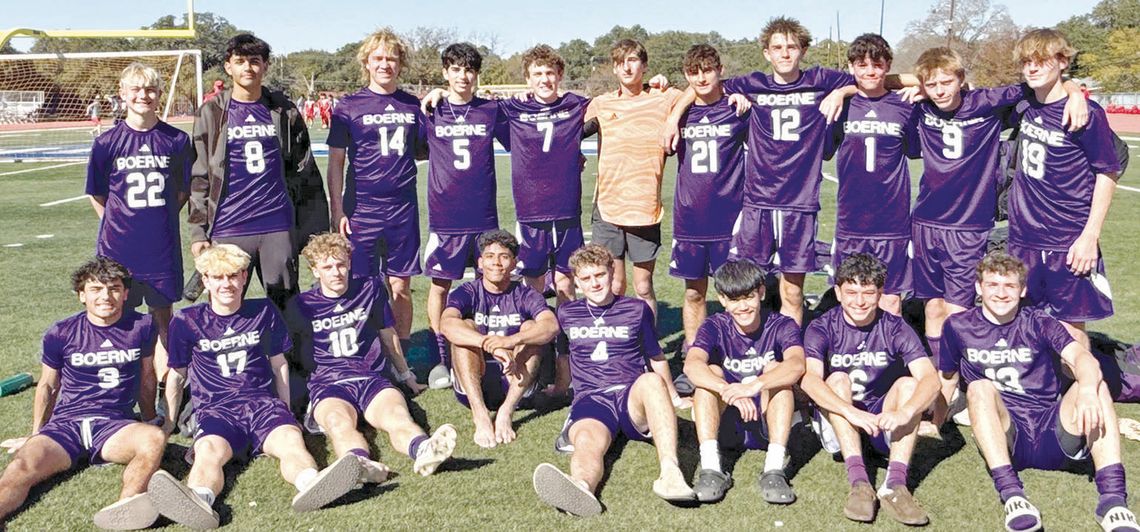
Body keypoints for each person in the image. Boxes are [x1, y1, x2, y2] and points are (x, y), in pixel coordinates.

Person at [908, 47, 1087, 425]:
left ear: (962, 80)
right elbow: (885, 82)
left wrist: (1074, 90)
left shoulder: (985, 102)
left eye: (947, 82)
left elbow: (1036, 86)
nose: (940, 90)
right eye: (932, 85)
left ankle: (952, 395)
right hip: (925, 223)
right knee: (932, 309)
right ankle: (943, 392)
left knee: (957, 316)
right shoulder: (921, 107)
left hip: (968, 228)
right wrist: (913, 84)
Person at [150, 244, 363, 529]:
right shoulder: (187, 321)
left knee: (290, 441)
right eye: (218, 277)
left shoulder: (262, 310)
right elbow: (176, 375)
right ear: (206, 280)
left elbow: (280, 365)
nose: (227, 284)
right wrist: (170, 421)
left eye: (234, 276)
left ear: (244, 277)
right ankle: (200, 499)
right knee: (209, 450)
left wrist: (286, 412)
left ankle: (311, 484)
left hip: (263, 404)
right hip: (217, 408)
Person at [939, 252, 1137, 532]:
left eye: (1009, 286)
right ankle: (1012, 495)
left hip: (1052, 429)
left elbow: (1082, 358)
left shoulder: (1039, 321)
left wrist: (1089, 391)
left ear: (1022, 290)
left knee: (1094, 384)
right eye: (993, 284)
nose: (1000, 293)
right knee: (979, 388)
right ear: (978, 288)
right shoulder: (957, 326)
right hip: (1009, 436)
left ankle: (1113, 501)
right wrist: (933, 422)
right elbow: (947, 379)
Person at [0, 258, 167, 530]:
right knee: (22, 466)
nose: (105, 296)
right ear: (81, 295)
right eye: (96, 289)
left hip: (114, 425)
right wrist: (36, 432)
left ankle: (126, 507)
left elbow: (147, 377)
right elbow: (47, 386)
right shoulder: (61, 332)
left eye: (114, 288)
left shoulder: (142, 326)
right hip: (66, 424)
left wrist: (149, 417)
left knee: (153, 439)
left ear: (125, 294)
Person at [533, 244, 694, 517]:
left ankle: (671, 473)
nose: (594, 283)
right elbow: (564, 357)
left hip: (632, 395)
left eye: (600, 275)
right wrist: (561, 389)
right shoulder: (567, 313)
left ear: (612, 273)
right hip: (592, 398)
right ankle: (581, 487)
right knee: (585, 439)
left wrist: (674, 397)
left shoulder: (636, 309)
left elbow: (655, 356)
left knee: (652, 382)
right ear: (576, 281)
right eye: (586, 278)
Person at [285, 233, 455, 485]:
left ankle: (423, 450)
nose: (336, 272)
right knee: (338, 423)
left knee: (397, 415)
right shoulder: (301, 305)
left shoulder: (368, 288)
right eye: (328, 267)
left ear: (350, 263)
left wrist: (406, 375)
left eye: (341, 264)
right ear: (315, 270)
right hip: (329, 383)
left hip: (370, 377)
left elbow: (388, 335)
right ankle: (359, 465)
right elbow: (292, 355)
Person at [187, 33, 329, 312]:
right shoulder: (213, 111)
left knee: (286, 304)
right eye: (240, 61)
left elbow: (305, 170)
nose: (247, 68)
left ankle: (290, 358)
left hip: (276, 223)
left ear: (265, 65)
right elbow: (200, 174)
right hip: (229, 224)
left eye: (255, 61)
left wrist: (315, 227)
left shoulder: (282, 109)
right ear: (228, 66)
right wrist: (197, 233)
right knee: (224, 304)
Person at [800, 253, 939, 525]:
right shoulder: (821, 326)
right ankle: (859, 482)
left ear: (880, 293)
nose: (860, 301)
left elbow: (930, 379)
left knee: (910, 385)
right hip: (840, 424)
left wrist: (906, 412)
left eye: (868, 292)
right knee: (837, 379)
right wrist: (849, 412)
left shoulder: (895, 326)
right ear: (838, 292)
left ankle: (895, 484)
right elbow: (809, 380)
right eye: (851, 292)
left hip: (882, 422)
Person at [1005, 29, 1121, 350]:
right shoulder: (1023, 102)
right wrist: (1073, 89)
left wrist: (1090, 236)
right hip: (1023, 238)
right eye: (1027, 61)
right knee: (1025, 323)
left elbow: (1107, 173)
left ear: (1062, 61)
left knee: (1070, 329)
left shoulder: (1086, 113)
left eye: (1041, 60)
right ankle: (1039, 397)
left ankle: (1079, 396)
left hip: (1066, 240)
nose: (1032, 68)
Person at [86, 62, 195, 401]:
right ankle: (123, 388)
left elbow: (182, 191)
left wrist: (157, 219)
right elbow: (98, 194)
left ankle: (168, 389)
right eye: (136, 89)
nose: (143, 95)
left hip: (161, 246)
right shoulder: (107, 142)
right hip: (118, 248)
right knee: (120, 317)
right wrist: (116, 224)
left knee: (164, 317)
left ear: (159, 94)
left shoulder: (176, 140)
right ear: (123, 94)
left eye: (150, 89)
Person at [326, 28, 427, 380]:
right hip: (362, 208)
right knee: (361, 284)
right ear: (367, 62)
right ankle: (364, 353)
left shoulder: (413, 104)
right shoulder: (348, 106)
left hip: (402, 208)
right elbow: (336, 162)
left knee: (400, 285)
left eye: (392, 59)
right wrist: (337, 210)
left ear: (400, 64)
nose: (385, 64)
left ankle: (403, 354)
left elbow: (424, 149)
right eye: (378, 58)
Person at [423, 43, 510, 395]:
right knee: (440, 286)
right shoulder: (429, 110)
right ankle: (440, 356)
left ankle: (491, 346)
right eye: (456, 69)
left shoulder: (490, 110)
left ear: (477, 74)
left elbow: (521, 142)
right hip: (446, 218)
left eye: (469, 69)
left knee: (493, 283)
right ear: (445, 73)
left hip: (484, 216)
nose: (463, 76)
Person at [683, 259, 804, 504]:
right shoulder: (714, 325)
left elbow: (796, 364)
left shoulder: (781, 324)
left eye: (748, 297)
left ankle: (774, 468)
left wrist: (754, 386)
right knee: (711, 374)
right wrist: (727, 390)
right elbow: (692, 365)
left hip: (767, 419)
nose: (743, 306)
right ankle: (711, 468)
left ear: (760, 293)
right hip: (728, 422)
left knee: (776, 370)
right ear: (724, 300)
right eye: (735, 300)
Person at [584, 39, 684, 320]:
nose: (626, 67)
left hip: (645, 210)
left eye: (632, 60)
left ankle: (648, 346)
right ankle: (619, 347)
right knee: (614, 285)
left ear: (645, 65)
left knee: (643, 286)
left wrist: (674, 117)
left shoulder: (662, 97)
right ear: (614, 69)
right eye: (620, 62)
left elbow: (693, 92)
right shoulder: (602, 103)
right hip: (608, 208)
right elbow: (569, 130)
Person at [828, 34, 921, 316]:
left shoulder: (904, 105)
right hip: (851, 219)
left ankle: (889, 358)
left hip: (891, 220)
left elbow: (914, 150)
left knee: (891, 299)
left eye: (877, 65)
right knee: (851, 297)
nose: (869, 71)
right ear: (851, 67)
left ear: (888, 66)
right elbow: (825, 150)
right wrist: (841, 92)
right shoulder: (840, 106)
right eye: (862, 64)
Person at [440, 230, 558, 448]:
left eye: (504, 256)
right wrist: (487, 343)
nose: (496, 262)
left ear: (514, 263)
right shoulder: (467, 291)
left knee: (531, 327)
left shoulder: (525, 294)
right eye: (490, 256)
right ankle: (481, 415)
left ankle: (506, 412)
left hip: (519, 385)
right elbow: (446, 324)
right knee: (464, 327)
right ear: (480, 263)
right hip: (474, 385)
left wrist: (509, 342)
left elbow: (550, 325)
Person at [669, 44, 748, 354]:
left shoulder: (738, 108)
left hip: (729, 218)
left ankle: (739, 354)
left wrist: (739, 94)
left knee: (736, 293)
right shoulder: (680, 110)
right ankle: (695, 355)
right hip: (690, 219)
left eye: (707, 70)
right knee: (693, 293)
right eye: (693, 72)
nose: (701, 78)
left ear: (720, 71)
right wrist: (673, 115)